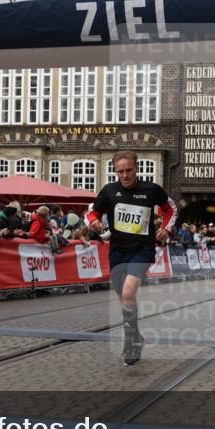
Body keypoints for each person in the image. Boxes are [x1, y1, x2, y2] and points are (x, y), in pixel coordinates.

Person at [87, 150, 176, 365]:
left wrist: (166, 229)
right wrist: (94, 222)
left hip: (142, 249)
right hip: (118, 250)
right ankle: (136, 336)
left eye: (129, 170)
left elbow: (170, 209)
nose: (125, 175)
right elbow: (91, 212)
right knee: (125, 298)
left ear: (136, 168)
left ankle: (130, 343)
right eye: (120, 172)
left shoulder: (151, 190)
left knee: (128, 291)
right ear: (115, 171)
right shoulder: (109, 191)